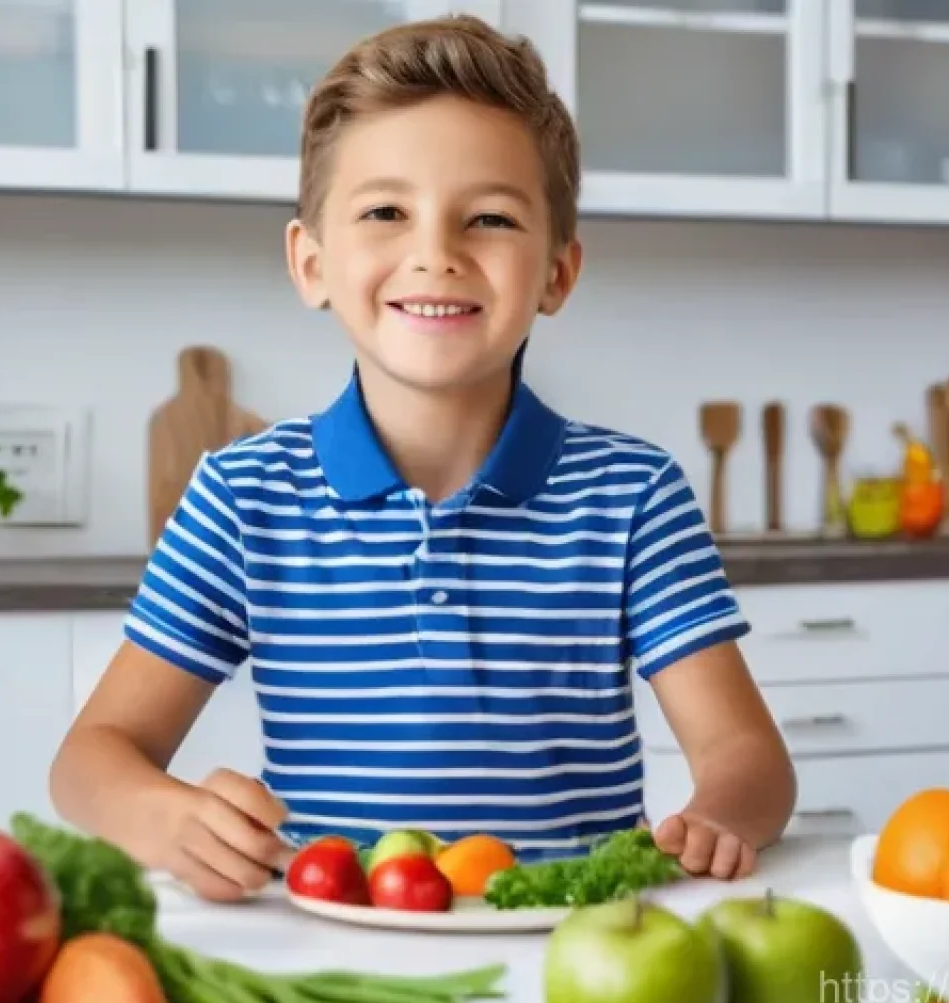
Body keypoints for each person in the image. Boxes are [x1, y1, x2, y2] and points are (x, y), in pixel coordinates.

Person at [49, 14, 796, 903]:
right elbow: (90, 760)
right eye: (385, 212)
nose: (435, 254)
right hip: (332, 951)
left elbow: (748, 758)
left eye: (488, 217)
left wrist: (721, 814)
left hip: (572, 956)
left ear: (557, 273)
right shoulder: (243, 497)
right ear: (312, 262)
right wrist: (159, 817)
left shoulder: (633, 496)